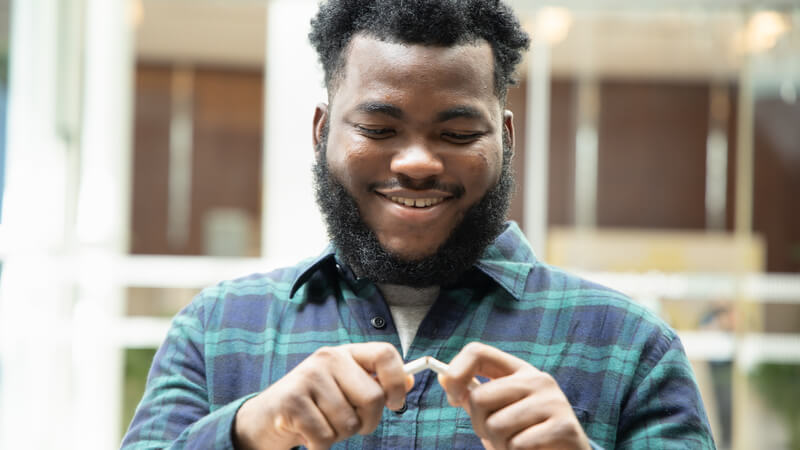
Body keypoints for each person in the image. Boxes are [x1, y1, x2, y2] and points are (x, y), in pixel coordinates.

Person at [122, 1, 715, 449]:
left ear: (504, 140)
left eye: (457, 135)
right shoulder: (217, 331)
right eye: (379, 130)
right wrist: (251, 428)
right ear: (321, 133)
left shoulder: (631, 348)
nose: (416, 163)